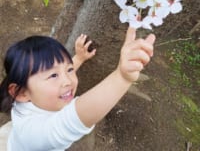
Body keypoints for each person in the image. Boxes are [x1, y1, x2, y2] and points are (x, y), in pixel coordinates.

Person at [0, 27, 155, 150]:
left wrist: (79, 58)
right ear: (21, 92)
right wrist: (122, 77)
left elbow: (62, 73)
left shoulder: (28, 95)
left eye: (69, 70)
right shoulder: (33, 135)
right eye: (53, 76)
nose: (68, 81)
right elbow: (73, 118)